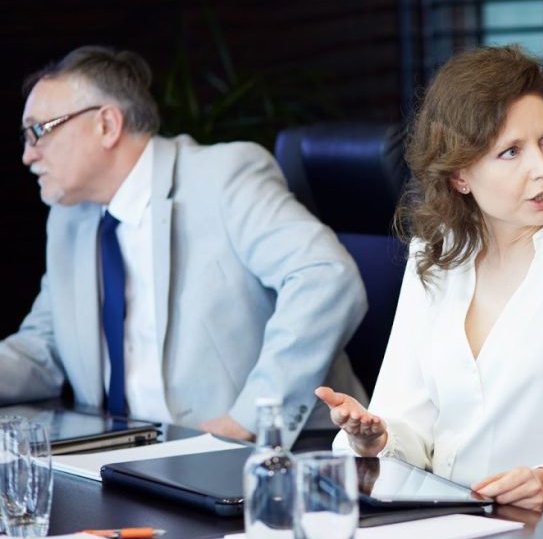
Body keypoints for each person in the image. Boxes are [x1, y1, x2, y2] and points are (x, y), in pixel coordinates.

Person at [316, 45, 543, 510]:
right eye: (511, 151)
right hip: (442, 521)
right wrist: (376, 439)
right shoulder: (438, 250)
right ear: (460, 175)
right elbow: (408, 424)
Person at [2, 46, 367, 448]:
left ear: (106, 124)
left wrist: (249, 418)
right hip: (128, 458)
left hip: (268, 456)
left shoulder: (223, 177)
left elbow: (327, 278)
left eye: (39, 130)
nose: (27, 154)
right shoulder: (71, 219)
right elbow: (42, 349)